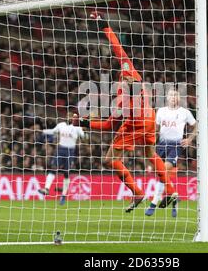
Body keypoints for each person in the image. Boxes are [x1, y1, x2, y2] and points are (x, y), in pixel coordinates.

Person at [73, 11, 177, 213]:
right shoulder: (126, 80)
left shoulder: (125, 87)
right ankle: (170, 189)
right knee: (150, 153)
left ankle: (138, 192)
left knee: (110, 159)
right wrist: (83, 123)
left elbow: (108, 125)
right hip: (149, 119)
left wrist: (105, 27)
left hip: (137, 123)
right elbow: (108, 125)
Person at [145, 88, 197, 217]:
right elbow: (155, 129)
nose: (173, 97)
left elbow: (197, 125)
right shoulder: (161, 111)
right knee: (162, 174)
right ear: (167, 98)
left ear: (179, 99)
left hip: (175, 146)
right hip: (161, 145)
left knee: (164, 170)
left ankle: (154, 202)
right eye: (171, 95)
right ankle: (174, 197)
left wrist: (190, 139)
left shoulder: (185, 112)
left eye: (176, 96)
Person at [38, 114, 85, 205]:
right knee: (53, 168)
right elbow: (53, 131)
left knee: (66, 173)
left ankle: (63, 196)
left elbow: (83, 136)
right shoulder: (61, 125)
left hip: (70, 151)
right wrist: (42, 131)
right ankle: (46, 189)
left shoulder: (77, 128)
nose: (70, 118)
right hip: (60, 149)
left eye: (73, 117)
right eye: (69, 116)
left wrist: (83, 129)